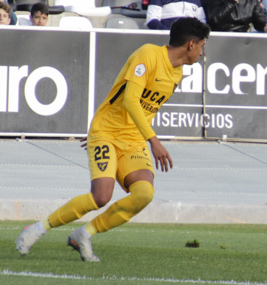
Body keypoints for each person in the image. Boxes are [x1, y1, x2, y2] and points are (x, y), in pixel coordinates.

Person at [15, 17, 211, 261]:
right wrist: (146, 140)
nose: (203, 52)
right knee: (101, 197)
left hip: (132, 139)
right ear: (191, 44)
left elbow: (146, 109)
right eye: (202, 45)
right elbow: (130, 100)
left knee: (144, 194)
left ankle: (84, 234)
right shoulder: (148, 55)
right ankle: (36, 229)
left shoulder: (177, 73)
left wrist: (138, 137)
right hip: (107, 131)